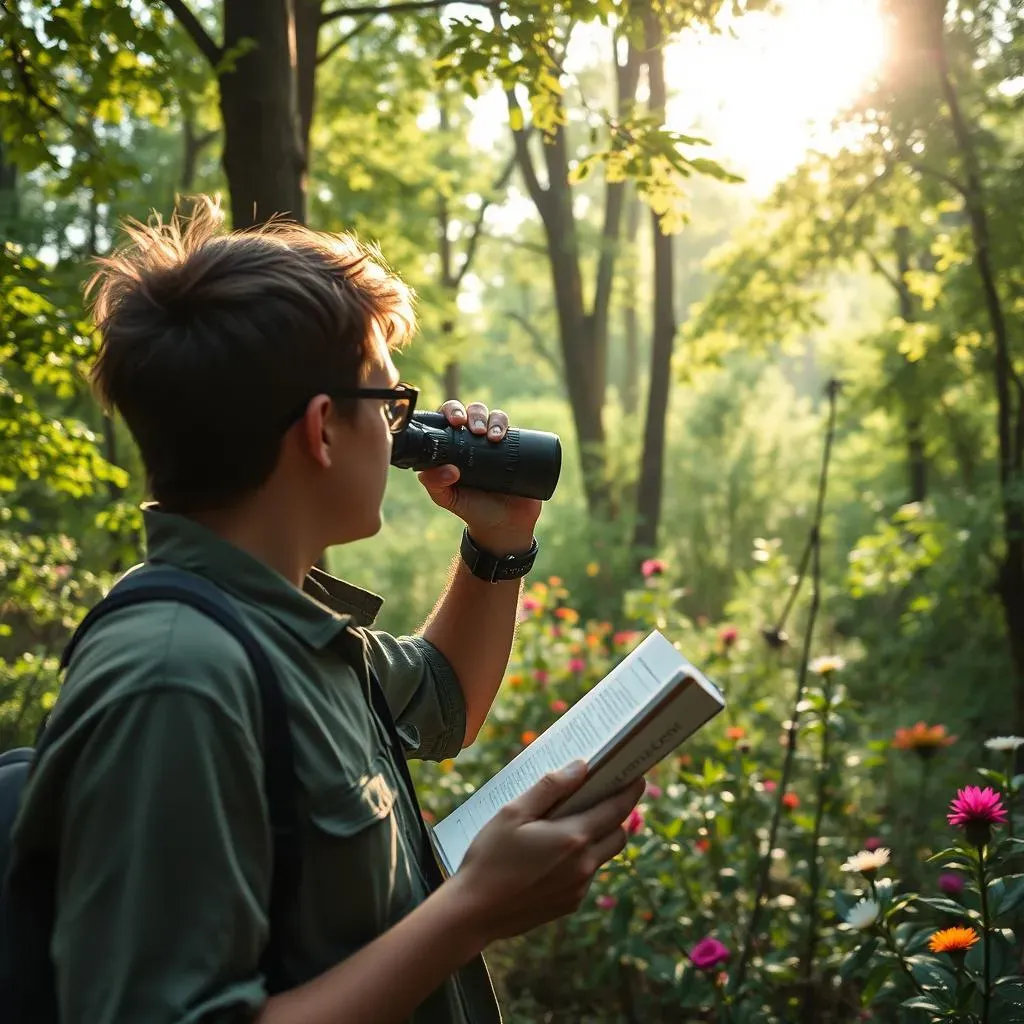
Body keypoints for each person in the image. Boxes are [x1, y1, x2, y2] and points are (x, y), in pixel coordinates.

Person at [9, 197, 644, 1024]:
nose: (401, 432)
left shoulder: (275, 621)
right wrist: (470, 912)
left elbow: (443, 700)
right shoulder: (176, 680)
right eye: (389, 405)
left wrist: (498, 544)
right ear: (322, 431)